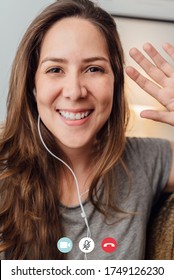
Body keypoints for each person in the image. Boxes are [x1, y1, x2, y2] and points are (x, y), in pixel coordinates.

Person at [0, 0, 174, 260]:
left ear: (115, 82)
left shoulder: (146, 159)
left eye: (94, 69)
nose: (74, 91)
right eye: (55, 69)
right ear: (32, 85)